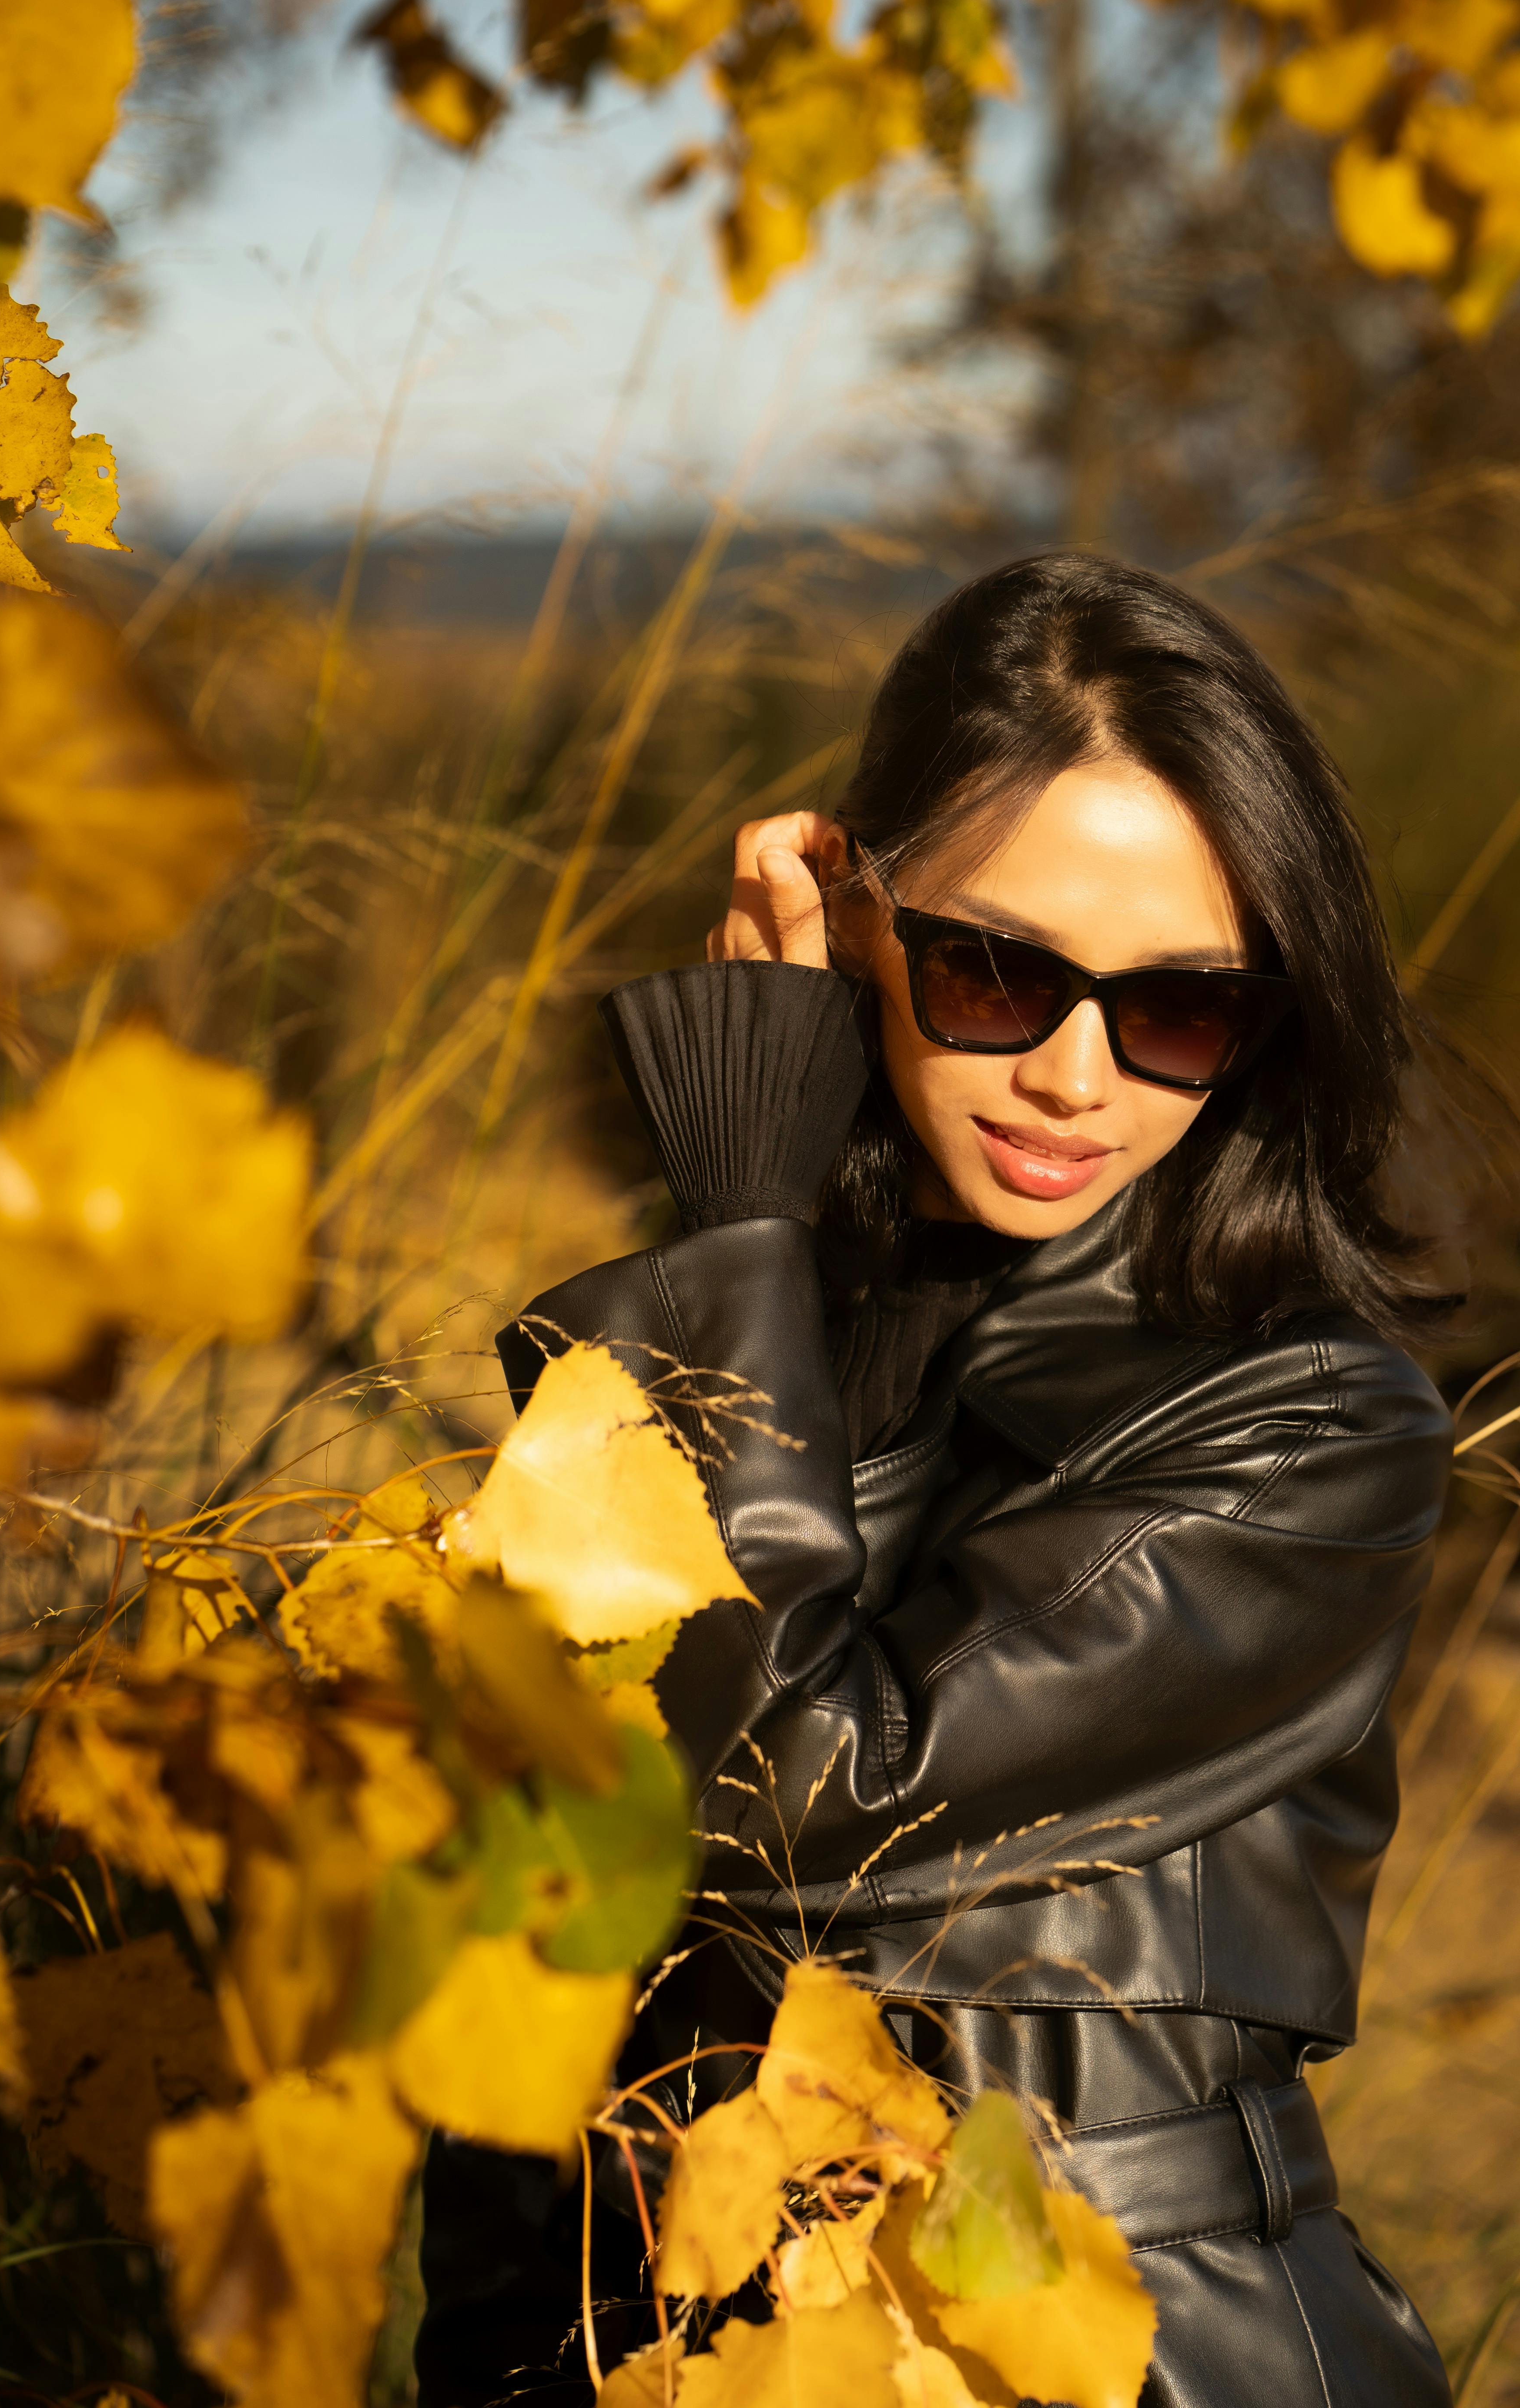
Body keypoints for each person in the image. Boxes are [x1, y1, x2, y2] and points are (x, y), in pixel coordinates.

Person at [417, 552, 1455, 2408]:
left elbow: (794, 1803)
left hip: (1109, 2354)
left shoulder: (1308, 1428)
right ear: (854, 913)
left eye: (1181, 1010)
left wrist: (732, 1215)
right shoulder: (762, 1322)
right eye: (996, 969)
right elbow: (542, 1920)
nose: (1074, 1075)